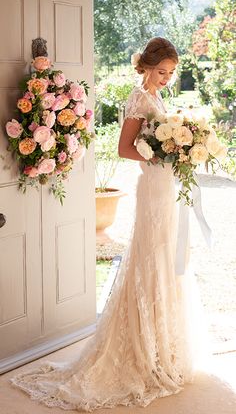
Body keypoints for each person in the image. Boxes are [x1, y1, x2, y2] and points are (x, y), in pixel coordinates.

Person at [11, 37, 211, 412]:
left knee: (168, 258)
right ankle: (142, 350)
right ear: (146, 67)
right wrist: (160, 155)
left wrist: (178, 150)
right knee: (151, 258)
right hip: (153, 188)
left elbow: (160, 142)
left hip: (166, 187)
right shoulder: (139, 98)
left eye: (170, 73)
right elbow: (124, 148)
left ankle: (161, 349)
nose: (166, 78)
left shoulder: (160, 98)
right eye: (161, 72)